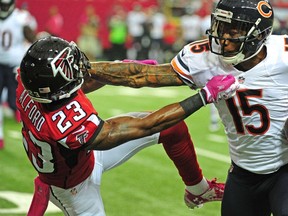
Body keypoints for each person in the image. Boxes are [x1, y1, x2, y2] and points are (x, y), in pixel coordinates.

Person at [88, 0, 288, 215]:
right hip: (242, 171)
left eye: (234, 31)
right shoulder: (203, 59)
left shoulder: (282, 54)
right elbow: (140, 75)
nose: (224, 39)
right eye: (221, 27)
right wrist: (84, 67)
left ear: (259, 34)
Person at [16, 36, 238, 215]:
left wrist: (123, 68)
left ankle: (198, 190)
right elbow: (145, 126)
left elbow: (79, 82)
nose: (77, 67)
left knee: (172, 129)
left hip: (84, 154)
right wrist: (203, 97)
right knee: (160, 124)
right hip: (73, 188)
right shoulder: (66, 126)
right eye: (68, 67)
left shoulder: (30, 87)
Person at [0, 0, 36, 149]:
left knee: (17, 101)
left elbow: (31, 37)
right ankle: (0, 137)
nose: (4, 8)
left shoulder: (21, 18)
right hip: (2, 64)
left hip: (15, 65)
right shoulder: (21, 17)